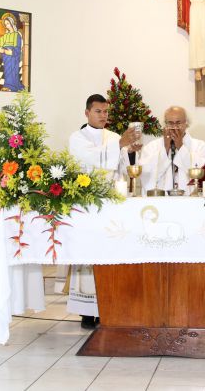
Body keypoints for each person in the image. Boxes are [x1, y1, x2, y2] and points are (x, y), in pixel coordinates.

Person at [66, 94, 141, 328]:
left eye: (106, 111)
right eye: (98, 111)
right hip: (88, 204)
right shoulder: (77, 138)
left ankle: (111, 306)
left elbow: (124, 168)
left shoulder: (114, 137)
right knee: (90, 254)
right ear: (87, 113)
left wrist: (130, 151)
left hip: (111, 204)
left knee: (111, 252)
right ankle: (88, 311)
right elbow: (88, 159)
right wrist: (119, 145)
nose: (103, 116)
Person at [139, 106, 205, 193]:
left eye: (178, 123)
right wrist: (165, 148)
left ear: (186, 123)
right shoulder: (151, 147)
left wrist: (180, 146)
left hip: (190, 199)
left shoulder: (200, 146)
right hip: (161, 200)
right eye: (170, 123)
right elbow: (145, 174)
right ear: (165, 124)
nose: (174, 127)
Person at [0, 13, 24, 92]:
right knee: (7, 71)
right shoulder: (6, 35)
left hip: (13, 57)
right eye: (5, 24)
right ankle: (7, 85)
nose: (7, 26)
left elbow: (18, 49)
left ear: (12, 23)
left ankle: (13, 86)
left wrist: (10, 51)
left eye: (8, 23)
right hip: (6, 57)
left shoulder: (17, 35)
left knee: (13, 71)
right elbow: (2, 44)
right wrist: (3, 50)